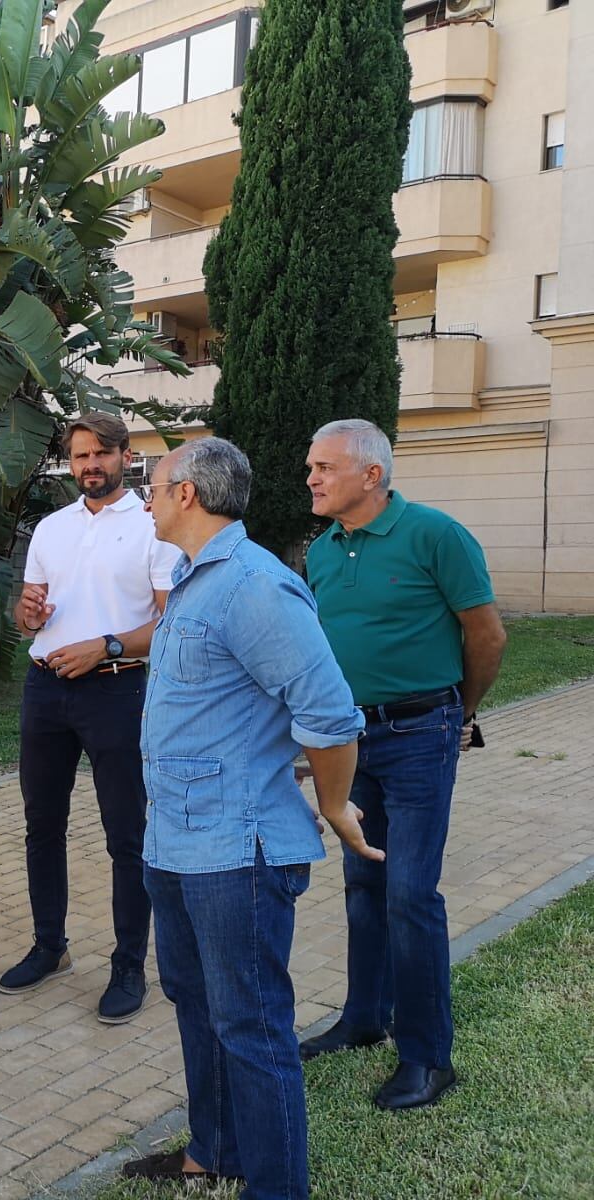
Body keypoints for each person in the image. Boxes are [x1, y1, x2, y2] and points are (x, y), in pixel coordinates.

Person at [123, 438, 377, 1199]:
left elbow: (330, 715)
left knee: (253, 1027)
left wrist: (332, 805)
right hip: (173, 840)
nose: (148, 498)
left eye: (156, 485)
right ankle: (215, 1152)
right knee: (195, 1003)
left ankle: (277, 1187)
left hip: (237, 852)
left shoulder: (255, 586)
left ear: (189, 496)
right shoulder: (191, 577)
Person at [299, 418, 506, 1110]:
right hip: (351, 741)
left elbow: (487, 634)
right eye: (311, 468)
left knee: (412, 894)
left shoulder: (435, 535)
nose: (312, 479)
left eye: (325, 468)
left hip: (423, 732)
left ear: (371, 475)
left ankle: (427, 1058)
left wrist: (459, 715)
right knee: (363, 884)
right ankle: (363, 1019)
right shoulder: (323, 551)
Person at [0, 413, 180, 1023]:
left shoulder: (155, 528)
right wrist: (27, 614)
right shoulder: (51, 528)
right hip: (44, 688)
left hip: (116, 689)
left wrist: (103, 646)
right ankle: (50, 946)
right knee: (41, 826)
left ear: (127, 457)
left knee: (126, 835)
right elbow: (32, 615)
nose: (90, 466)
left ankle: (130, 965)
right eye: (80, 456)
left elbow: (167, 625)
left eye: (101, 453)